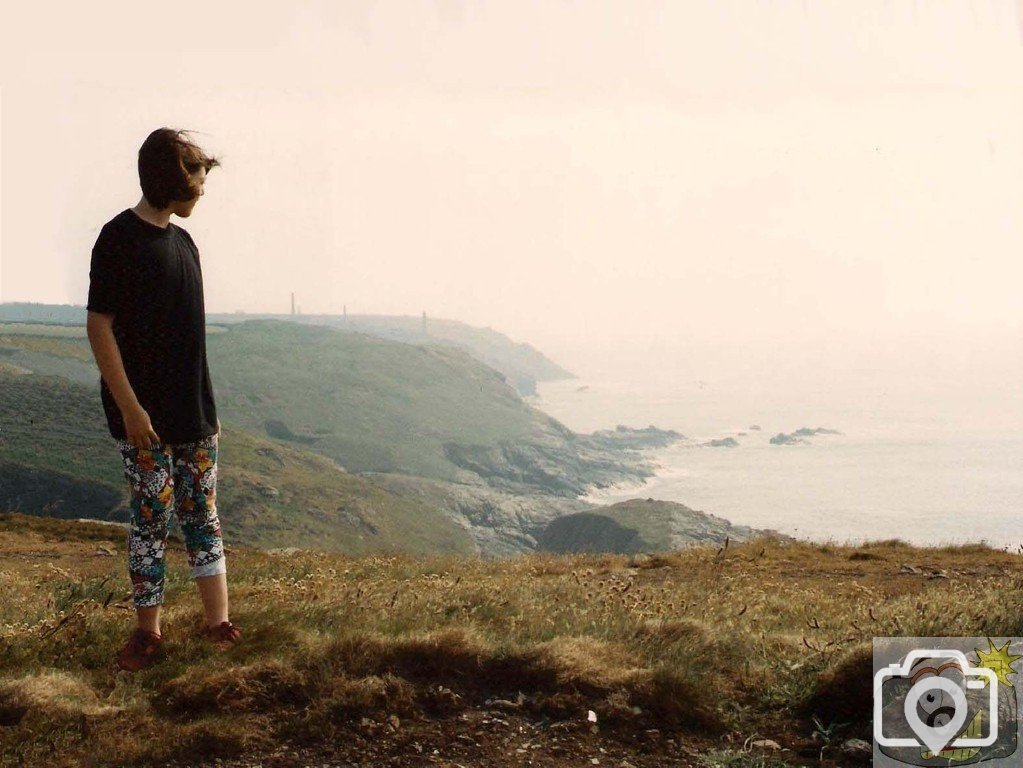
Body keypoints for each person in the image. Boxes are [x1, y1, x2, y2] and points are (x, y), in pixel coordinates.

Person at [86, 128, 240, 672]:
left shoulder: (185, 242)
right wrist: (129, 408)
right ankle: (147, 635)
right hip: (144, 419)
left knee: (203, 516)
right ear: (171, 178)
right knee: (151, 518)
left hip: (195, 414)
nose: (202, 189)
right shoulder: (118, 239)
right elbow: (99, 326)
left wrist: (207, 411)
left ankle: (218, 625)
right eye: (197, 178)